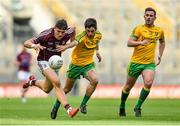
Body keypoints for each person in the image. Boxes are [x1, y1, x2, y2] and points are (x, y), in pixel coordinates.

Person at [23, 19, 79, 117]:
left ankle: (32, 82)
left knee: (46, 89)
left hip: (54, 65)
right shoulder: (45, 35)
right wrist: (34, 45)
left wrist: (67, 46)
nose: (60, 34)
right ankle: (69, 109)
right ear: (54, 28)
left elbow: (73, 32)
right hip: (43, 62)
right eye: (58, 31)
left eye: (63, 32)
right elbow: (26, 42)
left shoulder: (68, 32)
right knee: (57, 81)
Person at [50, 18, 102, 119]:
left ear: (96, 29)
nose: (90, 33)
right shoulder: (82, 36)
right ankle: (56, 106)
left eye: (92, 31)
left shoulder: (99, 35)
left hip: (88, 65)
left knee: (95, 80)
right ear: (85, 30)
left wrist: (97, 52)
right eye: (88, 31)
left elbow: (96, 42)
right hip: (76, 65)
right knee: (66, 89)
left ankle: (83, 105)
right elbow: (74, 43)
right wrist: (66, 47)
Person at [119, 7, 165, 117]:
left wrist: (160, 54)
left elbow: (162, 42)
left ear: (155, 18)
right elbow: (129, 43)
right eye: (147, 15)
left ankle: (138, 106)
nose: (149, 17)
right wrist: (140, 43)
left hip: (149, 63)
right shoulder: (138, 29)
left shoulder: (159, 31)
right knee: (128, 87)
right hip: (135, 63)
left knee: (148, 83)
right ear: (144, 16)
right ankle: (122, 105)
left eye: (151, 15)